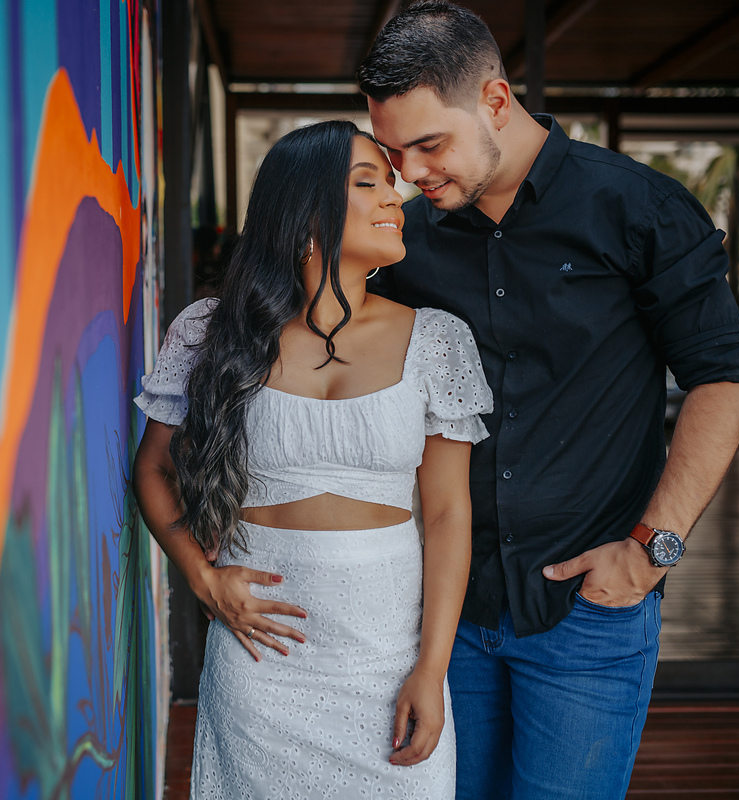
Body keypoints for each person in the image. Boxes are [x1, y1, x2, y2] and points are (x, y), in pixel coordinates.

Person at [356, 3, 739, 798]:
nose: (411, 172)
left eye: (429, 144)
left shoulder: (639, 209)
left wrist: (652, 548)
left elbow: (723, 379)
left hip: (588, 614)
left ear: (495, 101)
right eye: (394, 152)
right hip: (447, 613)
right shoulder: (408, 242)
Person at [132, 121, 492, 797]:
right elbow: (153, 468)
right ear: (305, 214)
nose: (395, 198)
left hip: (388, 662)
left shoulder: (437, 340)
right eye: (368, 183)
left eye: (390, 184)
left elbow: (448, 515)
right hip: (259, 659)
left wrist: (431, 669)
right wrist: (203, 579)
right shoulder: (211, 330)